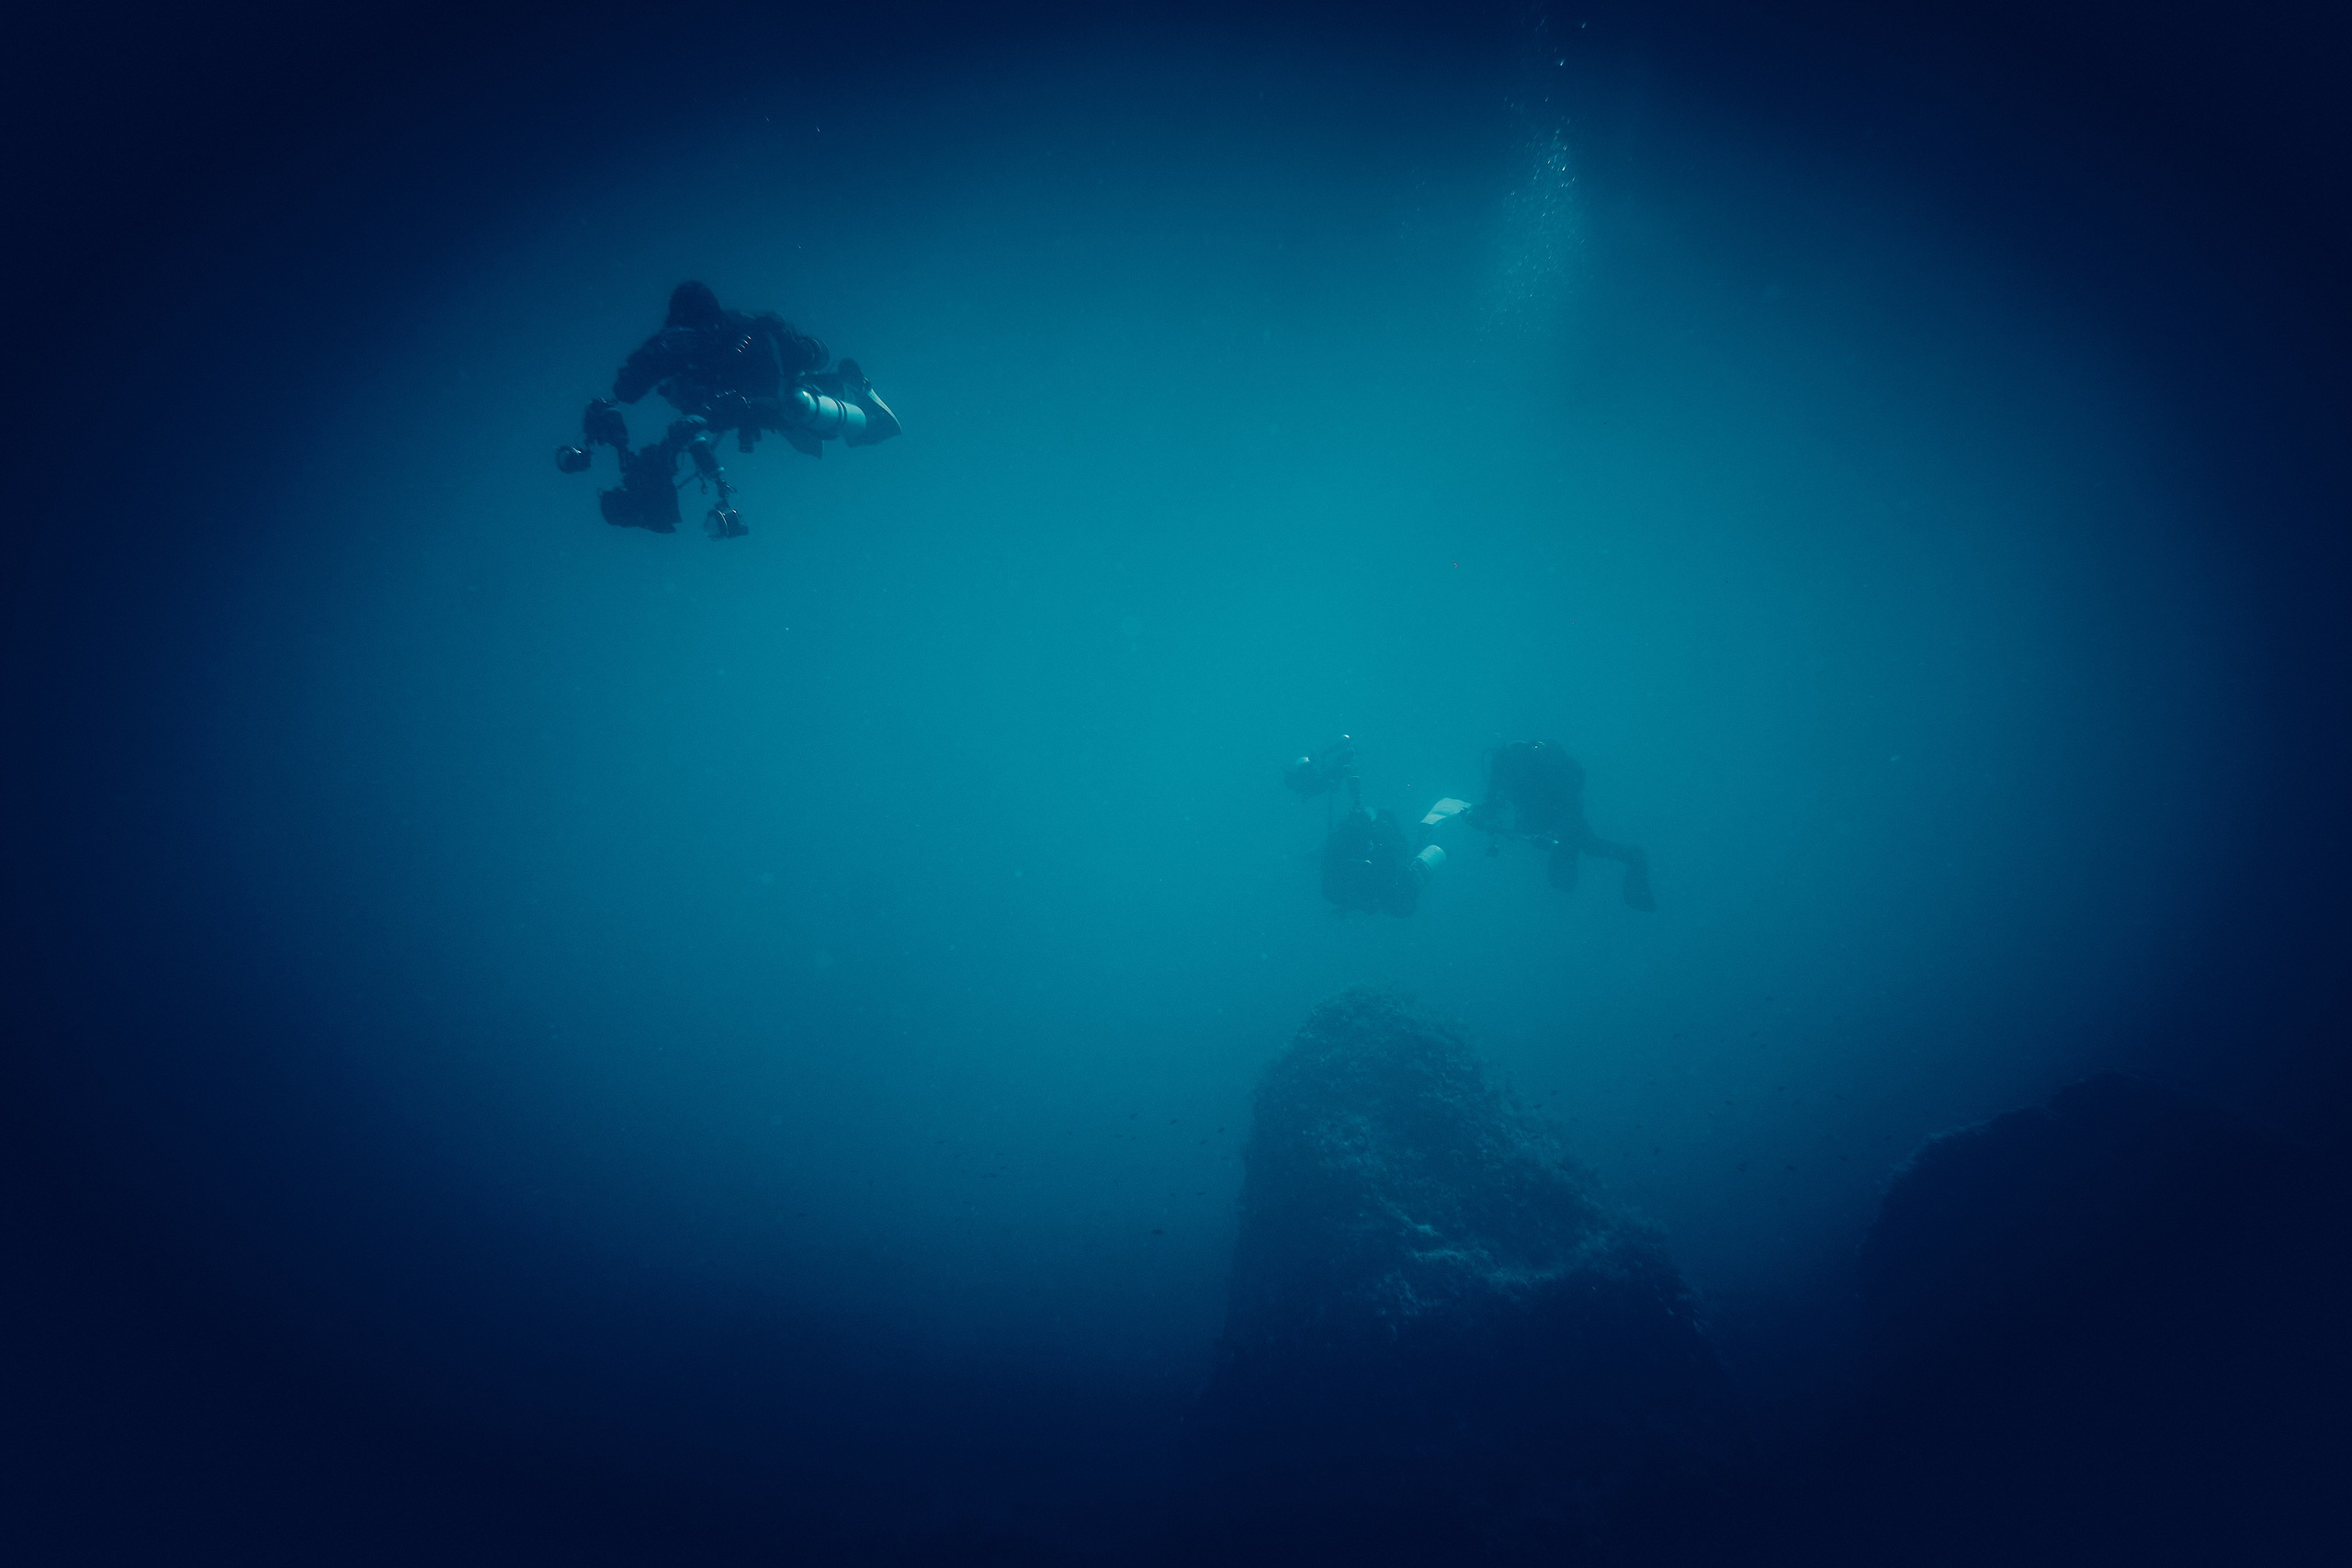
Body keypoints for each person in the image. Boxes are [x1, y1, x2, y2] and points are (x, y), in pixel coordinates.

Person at [554, 281, 899, 537]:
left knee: (799, 410)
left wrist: (715, 411)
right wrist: (613, 400)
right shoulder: (675, 345)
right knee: (680, 438)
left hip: (771, 399)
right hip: (721, 407)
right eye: (680, 334)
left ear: (711, 325)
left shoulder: (749, 337)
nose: (687, 342)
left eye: (694, 333)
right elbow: (637, 376)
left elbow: (770, 394)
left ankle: (853, 391)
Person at [1467, 740, 1654, 910]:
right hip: (1556, 814)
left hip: (1562, 814)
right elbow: (1494, 808)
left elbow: (1563, 803)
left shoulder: (1519, 769)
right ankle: (1633, 860)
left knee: (1576, 863)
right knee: (1585, 851)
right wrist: (1478, 818)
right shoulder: (1509, 768)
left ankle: (1634, 861)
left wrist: (1554, 833)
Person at [1321, 804, 1444, 917]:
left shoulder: (1382, 842)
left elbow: (1396, 860)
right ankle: (1424, 838)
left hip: (1383, 886)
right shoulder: (1344, 846)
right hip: (1377, 887)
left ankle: (1425, 839)